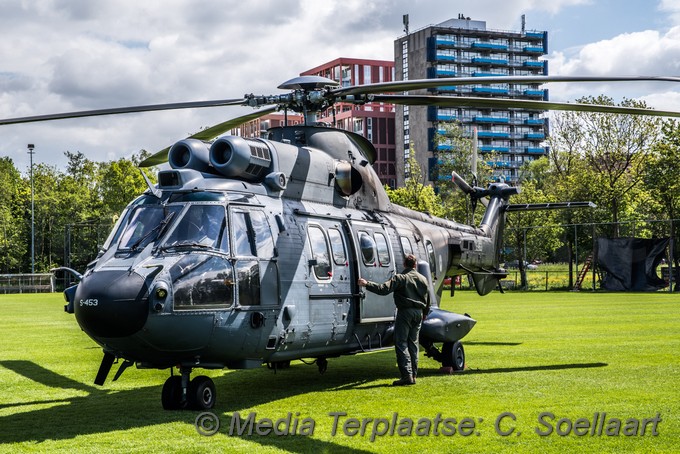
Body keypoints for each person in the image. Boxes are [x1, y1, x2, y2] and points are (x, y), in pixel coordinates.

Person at [358, 254, 430, 386]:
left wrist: (366, 284)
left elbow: (383, 289)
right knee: (413, 344)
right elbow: (428, 298)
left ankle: (406, 375)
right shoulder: (423, 279)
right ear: (415, 265)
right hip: (419, 313)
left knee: (401, 343)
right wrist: (424, 313)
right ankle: (413, 374)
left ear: (404, 264)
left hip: (405, 312)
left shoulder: (400, 278)